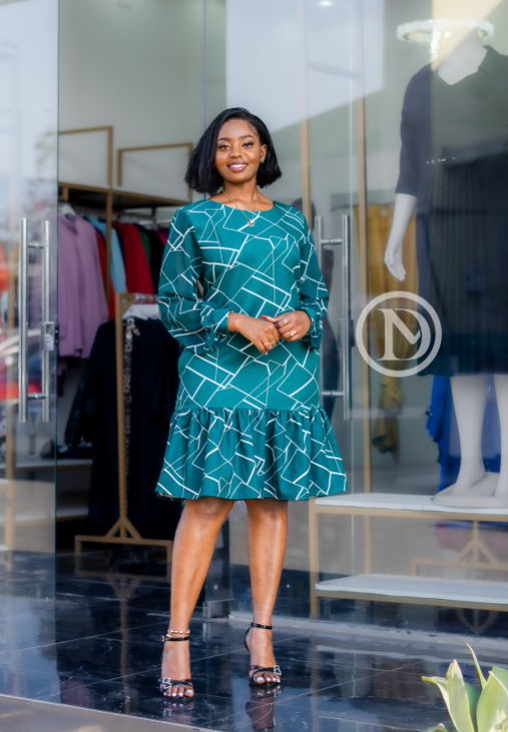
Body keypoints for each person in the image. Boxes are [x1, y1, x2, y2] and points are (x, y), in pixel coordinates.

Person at [156, 107, 347, 700]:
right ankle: (177, 637)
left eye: (247, 143)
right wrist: (233, 318)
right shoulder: (193, 220)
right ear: (210, 156)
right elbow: (173, 303)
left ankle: (261, 632)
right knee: (207, 504)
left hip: (283, 375)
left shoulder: (291, 224)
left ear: (264, 152)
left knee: (270, 503)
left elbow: (316, 294)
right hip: (217, 373)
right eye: (223, 146)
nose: (235, 153)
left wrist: (302, 317)